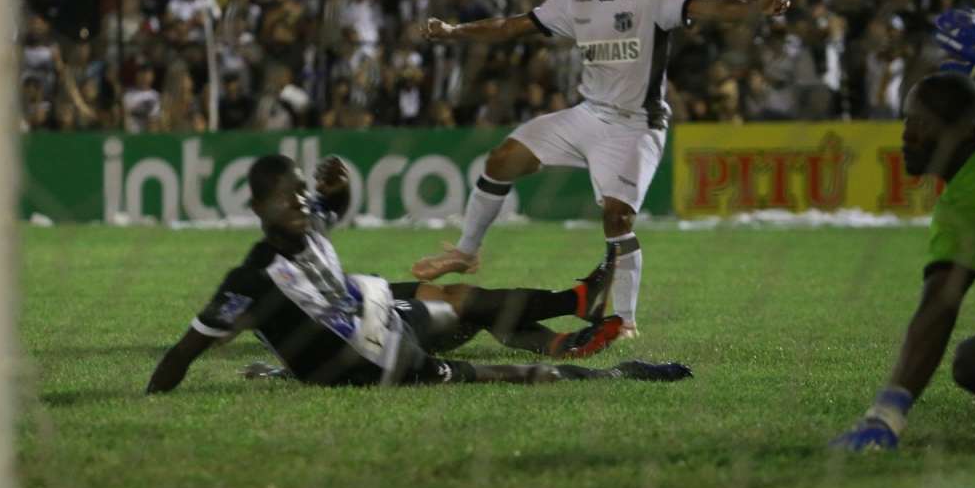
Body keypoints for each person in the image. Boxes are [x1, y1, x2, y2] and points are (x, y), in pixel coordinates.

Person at [411, 0, 791, 338]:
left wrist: (754, 8)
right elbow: (510, 27)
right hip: (588, 115)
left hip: (638, 125)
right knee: (502, 159)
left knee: (617, 219)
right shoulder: (575, 0)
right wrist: (454, 32)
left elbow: (711, 7)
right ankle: (466, 252)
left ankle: (625, 321)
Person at [147, 154, 692, 393]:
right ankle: (608, 362)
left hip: (374, 310)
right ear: (256, 207)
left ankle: (572, 309)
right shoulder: (251, 278)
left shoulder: (307, 223)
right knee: (485, 353)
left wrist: (340, 188)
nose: (299, 202)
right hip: (376, 349)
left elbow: (331, 209)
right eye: (283, 196)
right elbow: (184, 352)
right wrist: (151, 397)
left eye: (300, 191)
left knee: (462, 303)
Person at [832, 10, 975, 450]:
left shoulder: (970, 206)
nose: (906, 136)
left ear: (962, 132)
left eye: (922, 123)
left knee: (972, 364)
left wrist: (887, 413)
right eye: (908, 121)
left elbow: (937, 311)